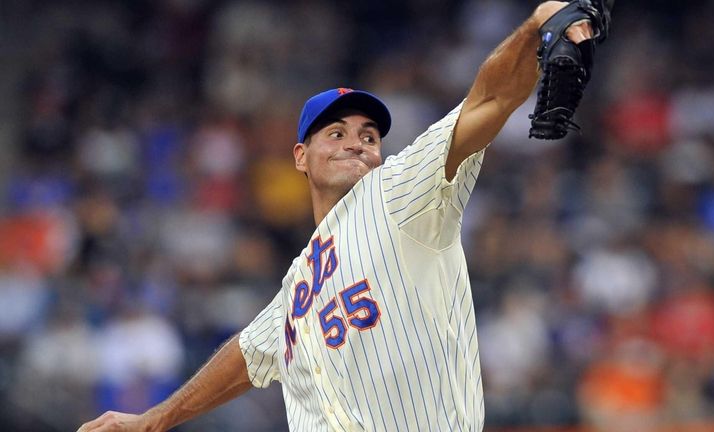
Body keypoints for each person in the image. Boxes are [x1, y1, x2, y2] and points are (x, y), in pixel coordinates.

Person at [78, 2, 594, 431]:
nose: (357, 144)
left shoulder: (400, 192)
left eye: (369, 136)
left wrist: (533, 28)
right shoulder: (299, 281)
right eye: (336, 133)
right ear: (300, 156)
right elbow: (249, 354)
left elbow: (492, 98)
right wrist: (155, 419)